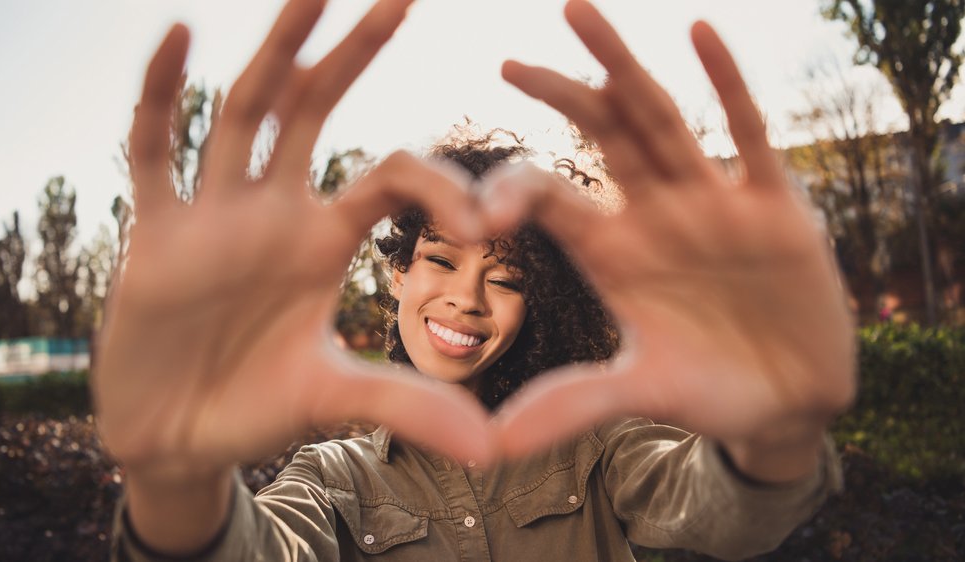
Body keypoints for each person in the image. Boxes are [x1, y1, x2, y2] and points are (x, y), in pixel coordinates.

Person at [98, 0, 856, 560]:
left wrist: (777, 433)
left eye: (507, 276)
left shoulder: (603, 447)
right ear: (396, 274)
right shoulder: (335, 480)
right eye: (440, 259)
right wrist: (174, 481)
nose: (466, 296)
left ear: (543, 302)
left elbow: (726, 515)